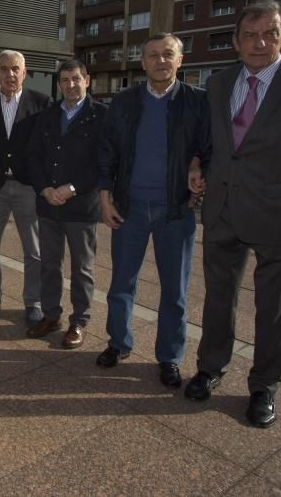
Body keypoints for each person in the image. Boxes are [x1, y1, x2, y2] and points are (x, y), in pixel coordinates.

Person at [185, 0, 281, 428]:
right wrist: (199, 167)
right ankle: (210, 367)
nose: (259, 43)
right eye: (250, 35)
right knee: (219, 299)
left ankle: (264, 386)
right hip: (223, 212)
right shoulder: (218, 83)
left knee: (273, 308)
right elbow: (218, 146)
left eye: (269, 34)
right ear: (236, 42)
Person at [96, 34, 211, 387]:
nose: (160, 61)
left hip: (175, 210)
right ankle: (119, 343)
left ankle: (169, 357)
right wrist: (104, 198)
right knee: (121, 284)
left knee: (174, 290)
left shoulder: (199, 102)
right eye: (153, 55)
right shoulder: (125, 101)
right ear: (142, 62)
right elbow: (107, 152)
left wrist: (197, 166)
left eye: (168, 54)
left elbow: (211, 148)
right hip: (128, 208)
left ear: (180, 59)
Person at [26, 58, 106, 348]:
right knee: (49, 264)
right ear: (58, 84)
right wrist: (45, 188)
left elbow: (102, 162)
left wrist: (71, 188)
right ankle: (51, 316)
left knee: (82, 268)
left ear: (87, 80)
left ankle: (79, 321)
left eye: (76, 79)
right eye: (64, 80)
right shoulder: (47, 116)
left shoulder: (101, 116)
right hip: (48, 204)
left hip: (81, 207)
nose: (70, 85)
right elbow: (33, 156)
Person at [0, 50, 51, 323]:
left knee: (34, 251)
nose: (10, 74)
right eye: (4, 69)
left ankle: (34, 302)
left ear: (24, 73)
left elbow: (45, 148)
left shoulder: (41, 103)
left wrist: (40, 183)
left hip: (28, 188)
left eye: (15, 69)